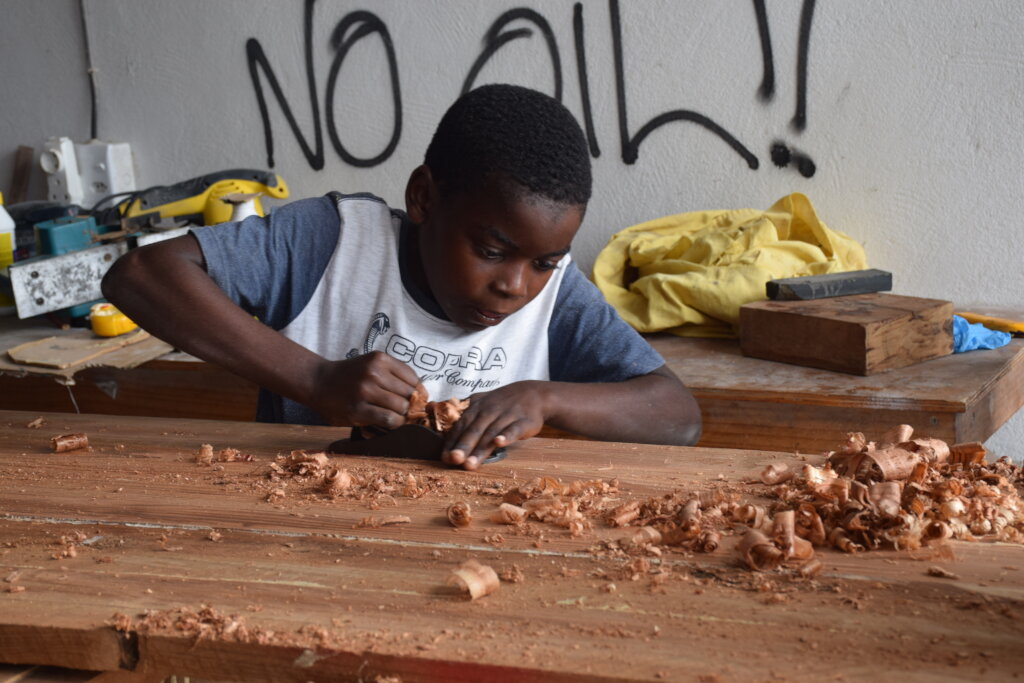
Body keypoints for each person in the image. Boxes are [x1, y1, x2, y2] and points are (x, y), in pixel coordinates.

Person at [102, 84, 701, 469]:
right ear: (423, 197)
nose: (516, 286)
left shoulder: (557, 296)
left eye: (544, 261)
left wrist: (547, 397)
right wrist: (314, 378)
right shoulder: (332, 241)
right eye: (492, 250)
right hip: (298, 525)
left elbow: (676, 413)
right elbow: (142, 276)